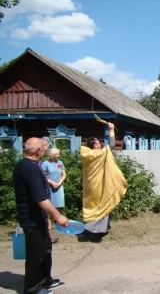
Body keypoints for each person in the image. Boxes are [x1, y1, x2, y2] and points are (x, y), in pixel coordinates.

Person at [13, 137, 69, 294]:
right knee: (35, 255)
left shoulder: (23, 165)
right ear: (37, 152)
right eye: (43, 150)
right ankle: (33, 289)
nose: (44, 152)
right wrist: (58, 216)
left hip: (38, 217)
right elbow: (41, 199)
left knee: (45, 249)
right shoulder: (30, 169)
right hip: (32, 219)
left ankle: (45, 280)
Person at [78, 122, 127, 242]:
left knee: (93, 205)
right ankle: (93, 231)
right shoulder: (99, 154)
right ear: (94, 145)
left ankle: (100, 230)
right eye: (97, 142)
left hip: (90, 186)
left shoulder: (86, 154)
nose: (99, 144)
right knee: (102, 203)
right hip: (99, 184)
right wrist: (111, 129)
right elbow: (111, 145)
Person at [41, 148, 67, 244]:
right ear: (52, 154)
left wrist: (59, 182)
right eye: (57, 154)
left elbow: (64, 174)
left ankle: (59, 224)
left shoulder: (60, 163)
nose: (59, 156)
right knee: (49, 206)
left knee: (59, 205)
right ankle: (49, 225)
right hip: (49, 187)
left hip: (59, 187)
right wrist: (52, 183)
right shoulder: (45, 164)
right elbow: (43, 176)